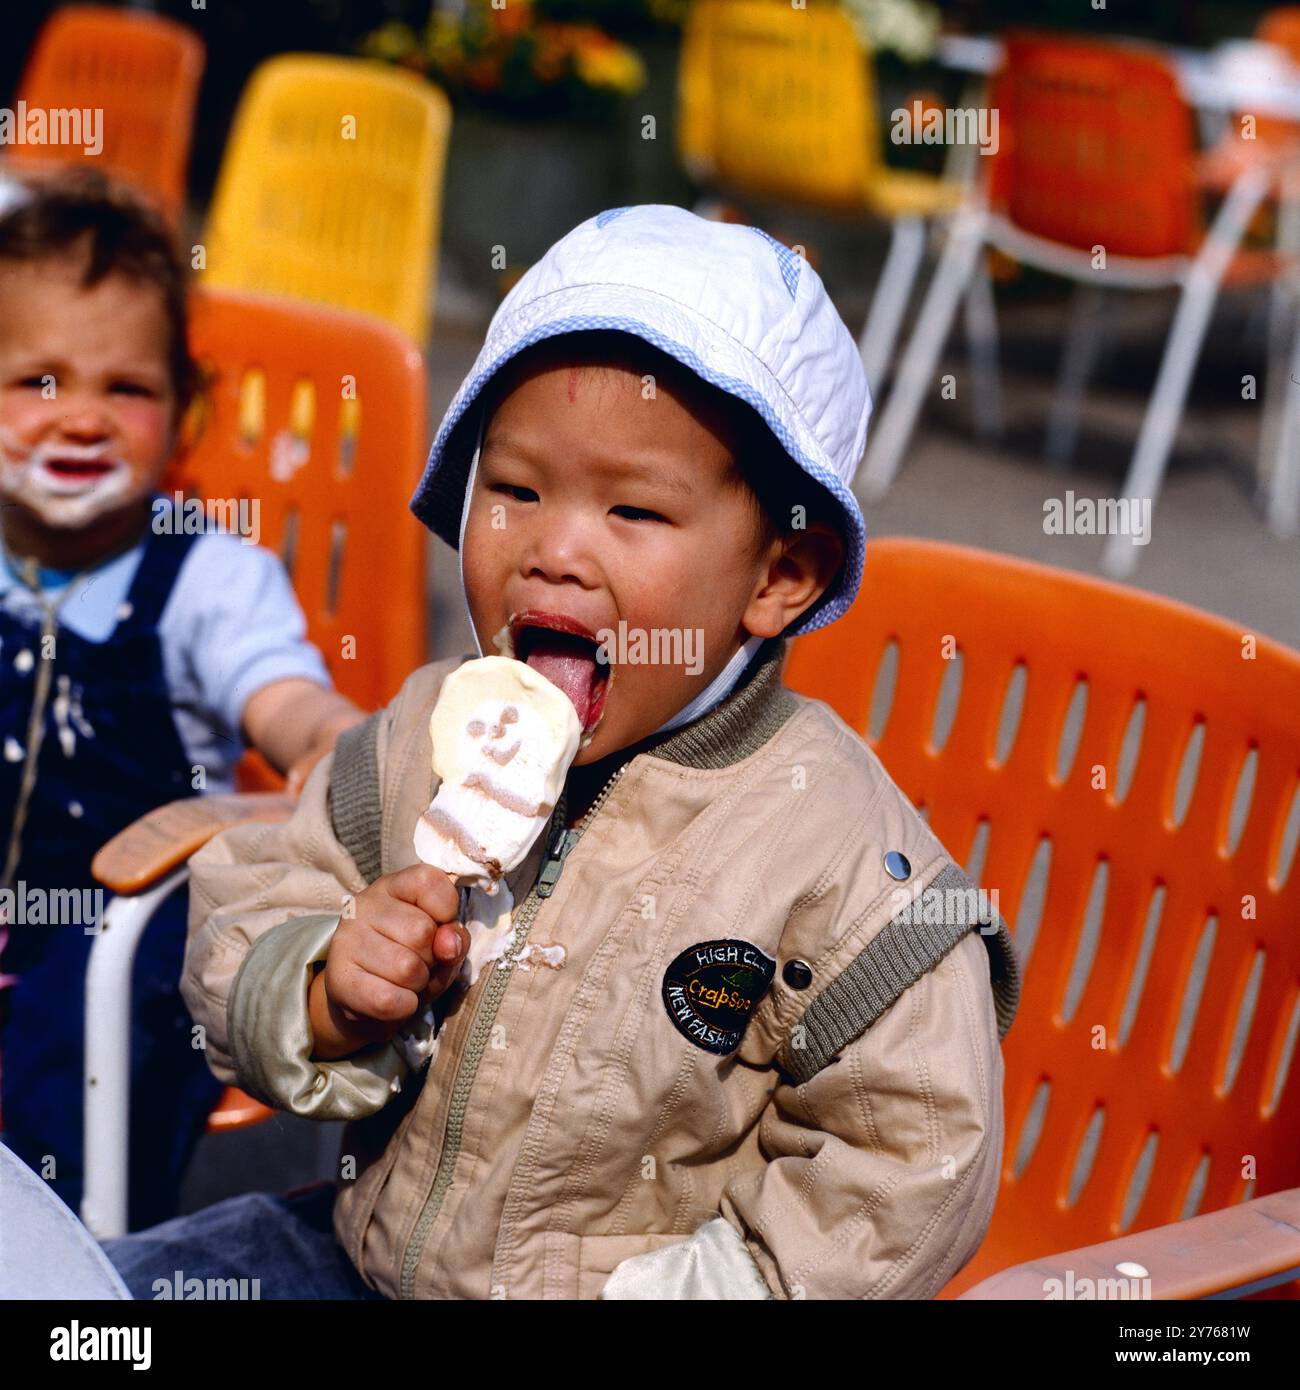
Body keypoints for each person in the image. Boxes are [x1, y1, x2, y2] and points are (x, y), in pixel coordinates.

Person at [102, 204, 1020, 1299]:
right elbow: (261, 890)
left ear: (781, 573)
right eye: (516, 490)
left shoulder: (833, 854)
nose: (554, 551)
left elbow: (911, 1161)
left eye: (632, 509)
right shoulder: (423, 733)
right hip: (361, 1251)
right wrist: (323, 983)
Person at [0, 168, 365, 1230]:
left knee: (84, 1015)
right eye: (38, 382)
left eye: (127, 388)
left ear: (183, 411)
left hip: (137, 909)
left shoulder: (206, 575)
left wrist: (327, 737)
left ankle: (55, 1256)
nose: (83, 419)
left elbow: (280, 693)